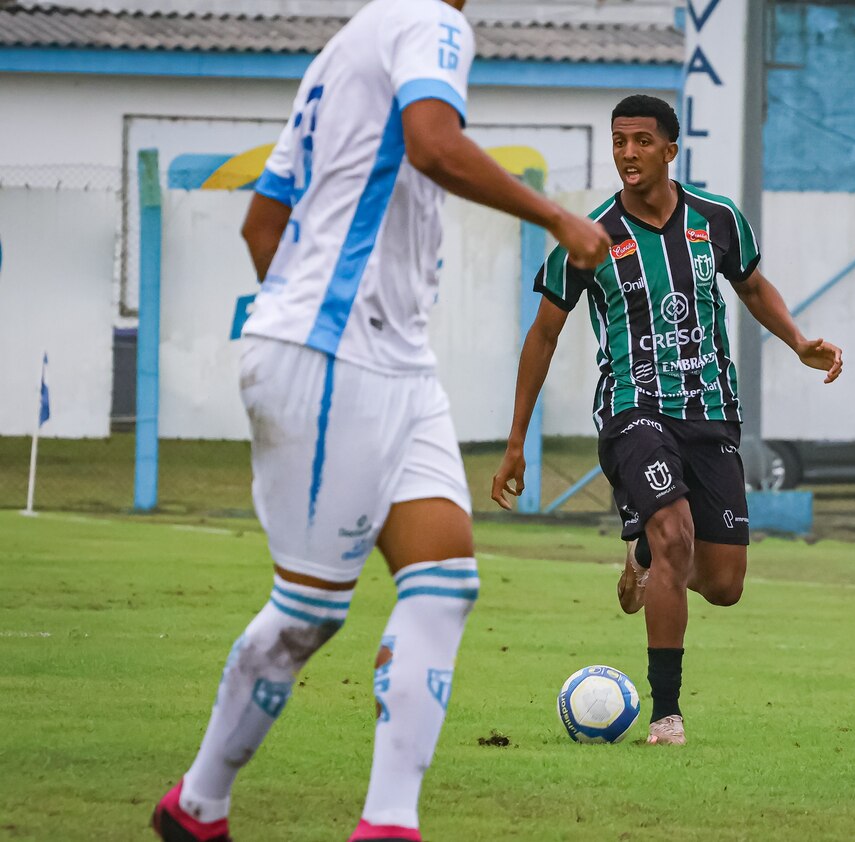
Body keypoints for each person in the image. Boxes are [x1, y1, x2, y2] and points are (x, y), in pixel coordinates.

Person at [151, 1, 610, 840]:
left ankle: (389, 825)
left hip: (389, 361)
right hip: (340, 355)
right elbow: (433, 144)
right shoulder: (430, 22)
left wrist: (312, 311)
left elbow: (264, 223)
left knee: (444, 584)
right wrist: (557, 217)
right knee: (310, 610)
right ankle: (199, 803)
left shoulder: (339, 53)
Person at [490, 95, 842, 746]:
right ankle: (666, 715)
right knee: (675, 530)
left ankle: (644, 555)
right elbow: (542, 336)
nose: (628, 153)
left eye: (642, 141)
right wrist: (515, 441)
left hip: (712, 413)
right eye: (619, 141)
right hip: (633, 410)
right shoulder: (588, 236)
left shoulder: (719, 218)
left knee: (725, 584)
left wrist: (797, 341)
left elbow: (753, 286)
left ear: (670, 150)